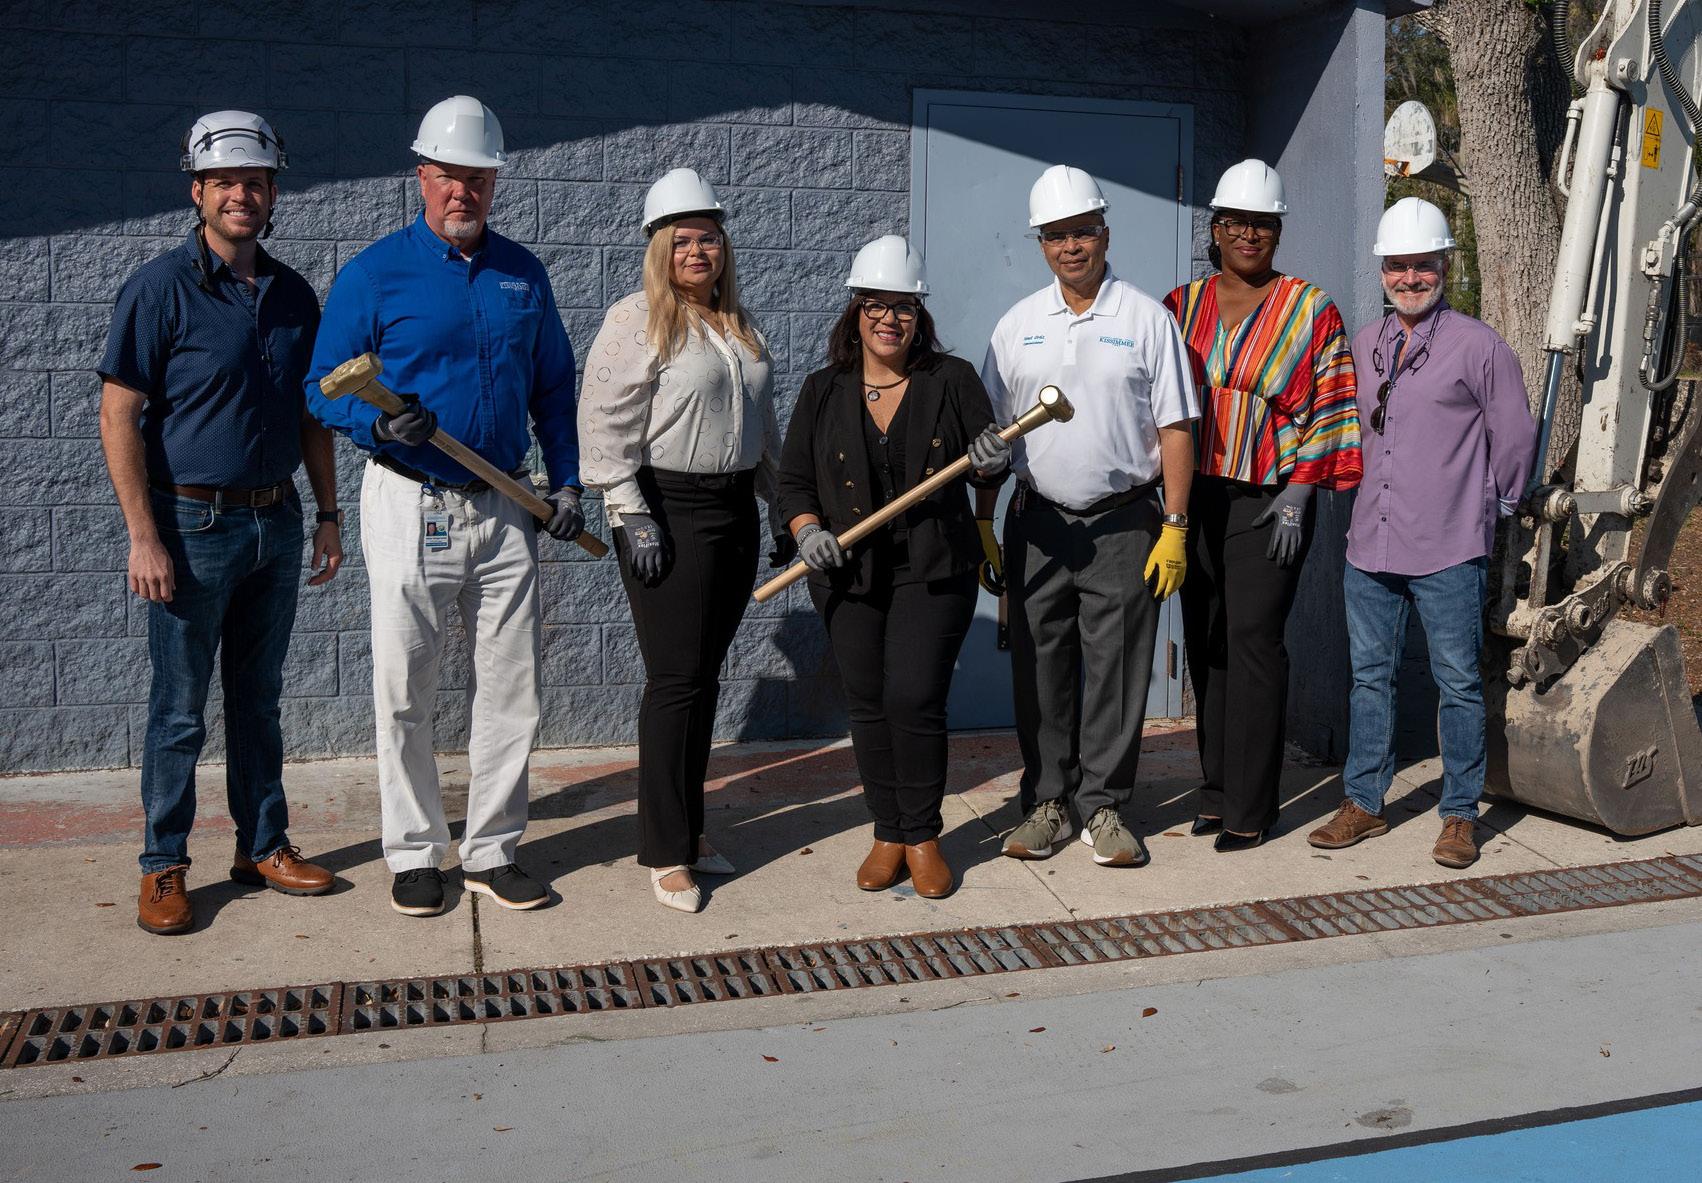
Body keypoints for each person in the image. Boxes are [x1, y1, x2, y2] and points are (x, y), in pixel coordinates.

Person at [305, 95, 583, 917]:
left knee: (513, 687)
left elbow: (554, 385)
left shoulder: (522, 274)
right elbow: (321, 388)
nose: (464, 190)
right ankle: (416, 851)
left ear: (495, 182)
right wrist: (377, 423)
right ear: (421, 176)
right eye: (449, 175)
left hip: (504, 501)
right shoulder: (373, 274)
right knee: (405, 687)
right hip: (409, 497)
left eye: (479, 177)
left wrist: (566, 482)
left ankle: (493, 849)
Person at [98, 111, 341, 935]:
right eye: (227, 181)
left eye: (257, 182)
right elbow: (118, 414)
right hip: (190, 526)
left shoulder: (293, 295)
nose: (243, 194)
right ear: (198, 192)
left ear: (273, 193)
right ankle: (162, 864)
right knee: (179, 710)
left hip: (277, 521)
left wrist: (328, 514)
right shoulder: (159, 288)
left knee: (258, 699)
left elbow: (312, 416)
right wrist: (143, 534)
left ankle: (261, 844)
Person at [577, 169, 789, 914]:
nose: (699, 251)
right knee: (675, 681)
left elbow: (762, 426)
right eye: (683, 240)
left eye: (709, 238)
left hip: (733, 509)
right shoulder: (636, 319)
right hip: (669, 508)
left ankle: (691, 831)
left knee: (704, 679)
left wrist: (784, 509)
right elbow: (603, 419)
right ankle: (666, 851)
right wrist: (628, 511)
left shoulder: (738, 324)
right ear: (660, 248)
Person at [1307, 197, 1536, 869]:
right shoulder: (1366, 345)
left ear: (1444, 264)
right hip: (1370, 546)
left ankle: (1459, 815)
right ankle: (1364, 803)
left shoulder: (1479, 346)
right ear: (1383, 270)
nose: (1410, 277)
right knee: (1370, 679)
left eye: (1423, 264)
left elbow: (1514, 437)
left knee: (1457, 681)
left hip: (1448, 547)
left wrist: (1493, 508)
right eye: (1398, 266)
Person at [779, 236, 1010, 899]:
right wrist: (807, 530)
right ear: (855, 311)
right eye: (876, 305)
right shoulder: (823, 390)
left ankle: (923, 836)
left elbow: (989, 461)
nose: (890, 319)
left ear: (919, 315)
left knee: (913, 697)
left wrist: (992, 460)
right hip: (847, 573)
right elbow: (794, 481)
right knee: (868, 703)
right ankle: (888, 831)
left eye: (903, 306)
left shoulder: (951, 380)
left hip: (933, 568)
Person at [984, 165, 1200, 869]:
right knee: (1040, 668)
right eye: (1056, 236)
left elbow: (1176, 428)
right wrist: (984, 522)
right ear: (1040, 244)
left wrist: (1175, 526)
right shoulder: (1017, 326)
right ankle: (1048, 802)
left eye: (1082, 231)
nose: (1071, 246)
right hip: (1038, 524)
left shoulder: (1146, 319)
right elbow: (991, 439)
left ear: (1105, 233)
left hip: (1122, 522)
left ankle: (1103, 806)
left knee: (1118, 669)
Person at [1163, 160, 1362, 851]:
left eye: (1263, 224)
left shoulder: (1310, 307)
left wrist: (1301, 493)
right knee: (1207, 638)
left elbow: (1334, 402)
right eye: (1237, 222)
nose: (1249, 234)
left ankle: (1252, 807)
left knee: (1253, 639)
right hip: (1195, 493)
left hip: (1270, 496)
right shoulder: (1179, 306)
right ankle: (1216, 792)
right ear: (1216, 229)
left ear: (1278, 231)